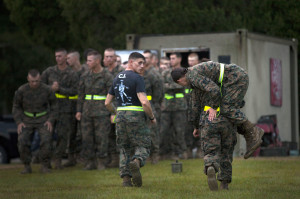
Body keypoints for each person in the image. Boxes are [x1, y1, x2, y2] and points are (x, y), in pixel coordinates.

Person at [171, 61, 264, 159]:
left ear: (179, 81)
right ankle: (250, 135)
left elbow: (214, 90)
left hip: (236, 78)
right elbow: (195, 104)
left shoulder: (193, 77)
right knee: (228, 111)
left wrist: (213, 108)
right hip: (232, 79)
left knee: (226, 108)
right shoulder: (192, 74)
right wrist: (196, 126)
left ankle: (253, 132)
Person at [105, 52, 156, 187]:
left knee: (124, 147)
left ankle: (126, 180)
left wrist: (117, 112)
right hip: (136, 116)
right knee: (143, 144)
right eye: (139, 63)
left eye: (143, 63)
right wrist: (151, 117)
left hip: (120, 116)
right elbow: (144, 102)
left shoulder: (117, 78)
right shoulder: (137, 78)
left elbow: (107, 103)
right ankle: (137, 162)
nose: (142, 66)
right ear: (130, 62)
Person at [191, 88, 237, 191]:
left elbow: (195, 107)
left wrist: (196, 126)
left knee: (211, 149)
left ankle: (210, 164)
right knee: (226, 152)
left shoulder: (200, 83)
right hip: (227, 120)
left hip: (209, 120)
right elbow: (239, 101)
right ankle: (224, 184)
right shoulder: (228, 83)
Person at [12, 69, 57, 174]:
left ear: (40, 78)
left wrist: (50, 120)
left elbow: (55, 106)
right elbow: (16, 106)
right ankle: (27, 166)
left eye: (36, 81)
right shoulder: (21, 90)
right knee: (22, 141)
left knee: (46, 140)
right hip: (27, 119)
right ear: (28, 79)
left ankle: (45, 165)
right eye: (32, 81)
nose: (34, 83)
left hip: (43, 119)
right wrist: (19, 122)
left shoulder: (47, 89)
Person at [41, 48, 79, 169]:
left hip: (65, 109)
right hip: (50, 109)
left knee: (63, 136)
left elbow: (75, 91)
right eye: (56, 56)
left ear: (65, 57)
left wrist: (60, 89)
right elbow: (39, 86)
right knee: (46, 136)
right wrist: (50, 88)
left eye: (60, 56)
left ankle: (58, 160)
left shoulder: (72, 73)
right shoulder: (49, 71)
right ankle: (45, 162)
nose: (58, 58)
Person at [76, 50, 113, 170]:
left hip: (102, 112)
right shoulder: (85, 75)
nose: (87, 63)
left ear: (97, 61)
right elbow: (81, 94)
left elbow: (113, 95)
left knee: (102, 138)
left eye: (90, 60)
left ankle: (101, 161)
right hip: (87, 111)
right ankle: (90, 162)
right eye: (87, 60)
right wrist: (79, 110)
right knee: (87, 137)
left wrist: (113, 112)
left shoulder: (107, 76)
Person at [160, 52, 188, 160]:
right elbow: (162, 86)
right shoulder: (165, 73)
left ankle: (183, 152)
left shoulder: (184, 72)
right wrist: (176, 85)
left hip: (180, 106)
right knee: (165, 131)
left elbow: (185, 85)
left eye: (173, 58)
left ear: (179, 59)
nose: (171, 60)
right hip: (166, 107)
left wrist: (170, 86)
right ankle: (167, 153)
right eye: (170, 58)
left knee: (180, 131)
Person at [63, 50, 87, 167]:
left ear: (76, 59)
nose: (66, 61)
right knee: (70, 133)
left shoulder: (85, 70)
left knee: (83, 133)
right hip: (69, 106)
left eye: (68, 58)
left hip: (84, 105)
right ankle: (71, 157)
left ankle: (83, 156)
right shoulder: (67, 72)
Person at [103, 48, 125, 168]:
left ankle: (121, 159)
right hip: (104, 108)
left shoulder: (121, 71)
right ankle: (112, 158)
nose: (109, 59)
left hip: (118, 108)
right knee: (108, 134)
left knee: (120, 134)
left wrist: (114, 111)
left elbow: (121, 92)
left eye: (111, 56)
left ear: (116, 57)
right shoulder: (103, 71)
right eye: (107, 57)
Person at [143, 50, 164, 164]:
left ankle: (155, 155)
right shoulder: (140, 73)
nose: (144, 60)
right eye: (143, 58)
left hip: (152, 106)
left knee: (153, 132)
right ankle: (145, 154)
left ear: (151, 60)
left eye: (146, 58)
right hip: (141, 106)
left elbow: (159, 93)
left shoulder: (154, 74)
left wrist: (155, 105)